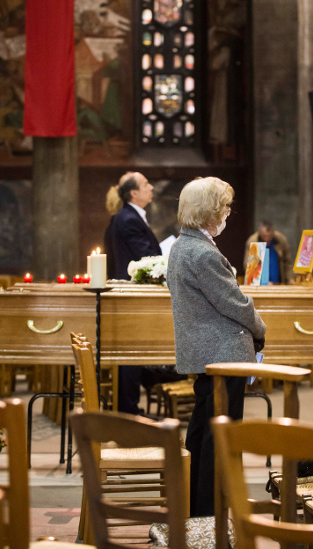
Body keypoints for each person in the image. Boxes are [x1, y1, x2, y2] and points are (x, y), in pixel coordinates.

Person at [167, 177, 266, 516]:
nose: (227, 212)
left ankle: (197, 507)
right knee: (219, 436)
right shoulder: (202, 253)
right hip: (224, 356)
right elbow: (235, 303)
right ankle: (210, 514)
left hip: (208, 354)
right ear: (209, 211)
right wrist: (260, 328)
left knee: (202, 431)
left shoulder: (184, 246)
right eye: (223, 206)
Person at [104, 172, 162, 414]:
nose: (151, 188)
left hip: (130, 292)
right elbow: (144, 258)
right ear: (134, 193)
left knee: (133, 352)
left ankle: (130, 404)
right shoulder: (129, 219)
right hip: (132, 294)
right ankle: (128, 410)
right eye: (146, 184)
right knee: (131, 352)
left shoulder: (126, 217)